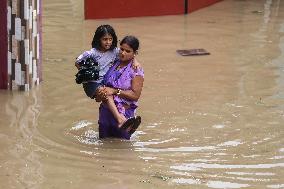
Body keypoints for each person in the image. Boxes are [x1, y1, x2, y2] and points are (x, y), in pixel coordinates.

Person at [75, 25, 140, 129]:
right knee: (107, 95)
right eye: (105, 39)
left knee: (107, 96)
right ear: (98, 39)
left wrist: (135, 60)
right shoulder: (92, 53)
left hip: (103, 83)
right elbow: (77, 61)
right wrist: (84, 74)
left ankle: (121, 120)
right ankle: (120, 119)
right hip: (92, 83)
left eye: (110, 39)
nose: (108, 42)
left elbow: (128, 52)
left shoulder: (114, 51)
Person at [96, 35, 144, 140]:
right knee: (102, 145)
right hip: (105, 113)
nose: (123, 53)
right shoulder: (113, 62)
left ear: (134, 53)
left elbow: (135, 95)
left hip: (124, 114)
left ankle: (121, 120)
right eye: (121, 49)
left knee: (123, 149)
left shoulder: (136, 70)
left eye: (128, 51)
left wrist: (114, 91)